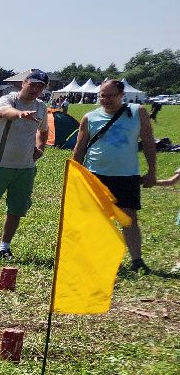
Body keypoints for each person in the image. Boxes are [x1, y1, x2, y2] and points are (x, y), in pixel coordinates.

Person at [72, 77, 158, 273]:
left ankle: (137, 261)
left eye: (111, 96)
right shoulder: (89, 117)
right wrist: (74, 175)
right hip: (95, 176)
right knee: (99, 221)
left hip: (127, 176)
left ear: (122, 95)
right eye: (103, 96)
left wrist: (152, 171)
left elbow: (148, 143)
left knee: (129, 219)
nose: (107, 99)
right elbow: (79, 149)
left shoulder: (138, 112)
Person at [0, 71, 50, 260]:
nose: (35, 89)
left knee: (16, 209)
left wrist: (40, 147)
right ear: (24, 83)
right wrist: (20, 114)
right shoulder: (8, 100)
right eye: (33, 84)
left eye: (40, 86)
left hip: (25, 168)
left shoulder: (41, 107)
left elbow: (43, 131)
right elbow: (4, 113)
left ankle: (4, 247)